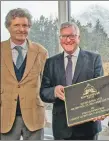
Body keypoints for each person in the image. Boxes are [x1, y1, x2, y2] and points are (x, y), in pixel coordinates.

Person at [40, 22, 104, 140]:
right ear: (60, 39)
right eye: (63, 36)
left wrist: (101, 109)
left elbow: (100, 90)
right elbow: (43, 92)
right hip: (61, 129)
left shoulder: (94, 59)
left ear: (78, 38)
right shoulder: (50, 62)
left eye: (72, 36)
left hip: (88, 127)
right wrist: (54, 91)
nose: (67, 40)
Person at [0, 8, 48, 140]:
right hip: (5, 117)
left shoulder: (41, 52)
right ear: (8, 27)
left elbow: (46, 84)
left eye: (25, 25)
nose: (21, 29)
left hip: (34, 117)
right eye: (16, 25)